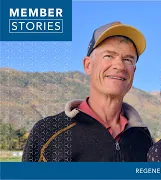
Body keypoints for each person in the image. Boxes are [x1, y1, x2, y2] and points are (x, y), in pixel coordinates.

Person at [22, 21, 154, 162]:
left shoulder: (144, 138)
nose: (119, 66)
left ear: (133, 71)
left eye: (128, 59)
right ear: (88, 65)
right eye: (109, 56)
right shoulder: (48, 133)